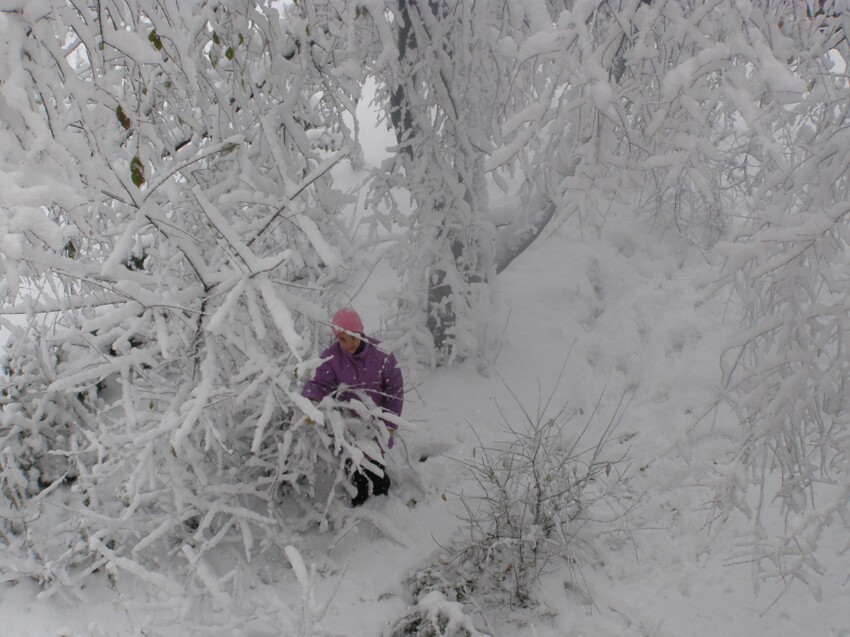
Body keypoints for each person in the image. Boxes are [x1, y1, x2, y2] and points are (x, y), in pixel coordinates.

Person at [301, 308, 404, 506]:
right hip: (348, 424)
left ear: (361, 333)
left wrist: (390, 423)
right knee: (353, 464)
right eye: (342, 339)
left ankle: (383, 499)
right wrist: (310, 405)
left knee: (375, 463)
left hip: (375, 422)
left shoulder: (381, 354)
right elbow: (319, 384)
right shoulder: (331, 357)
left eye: (352, 338)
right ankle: (359, 498)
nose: (348, 345)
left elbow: (394, 391)